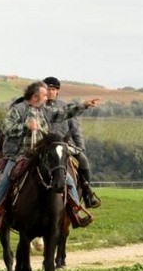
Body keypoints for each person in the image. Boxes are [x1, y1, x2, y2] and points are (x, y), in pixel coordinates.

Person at [0, 81, 100, 231]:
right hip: (19, 156)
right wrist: (25, 126)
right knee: (5, 180)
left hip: (40, 156)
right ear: (35, 96)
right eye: (45, 95)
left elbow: (63, 113)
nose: (47, 98)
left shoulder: (44, 110)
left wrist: (83, 105)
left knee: (68, 178)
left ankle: (75, 211)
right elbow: (7, 129)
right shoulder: (17, 110)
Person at [43, 76, 101, 208]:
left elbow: (76, 130)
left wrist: (80, 148)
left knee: (84, 160)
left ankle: (87, 194)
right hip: (45, 148)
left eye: (53, 89)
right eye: (48, 89)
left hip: (65, 146)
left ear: (57, 91)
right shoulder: (39, 107)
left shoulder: (65, 107)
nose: (50, 92)